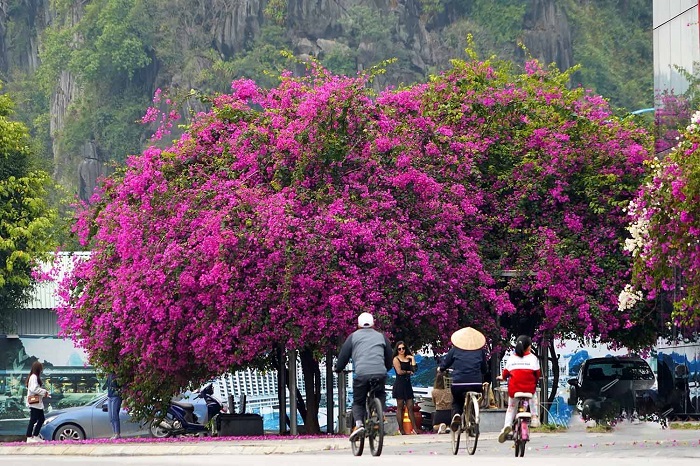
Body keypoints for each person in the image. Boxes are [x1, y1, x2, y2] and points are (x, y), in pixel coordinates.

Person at [334, 312, 393, 441]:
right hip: (380, 372)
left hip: (362, 374)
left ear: (358, 325)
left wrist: (338, 368)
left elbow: (343, 356)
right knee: (380, 393)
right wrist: (386, 368)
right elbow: (389, 357)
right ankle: (381, 414)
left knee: (358, 401)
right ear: (373, 324)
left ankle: (359, 424)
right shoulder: (382, 337)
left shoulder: (353, 337)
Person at [437, 327, 487, 432]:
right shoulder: (480, 352)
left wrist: (440, 369)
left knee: (457, 401)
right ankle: (473, 419)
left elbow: (445, 364)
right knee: (477, 397)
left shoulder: (454, 350)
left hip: (459, 383)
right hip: (476, 383)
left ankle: (456, 414)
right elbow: (484, 369)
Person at [496, 334, 541, 443]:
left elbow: (505, 373)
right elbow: (537, 375)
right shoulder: (533, 358)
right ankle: (534, 417)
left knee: (511, 408)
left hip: (514, 390)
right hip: (529, 390)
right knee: (533, 396)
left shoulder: (511, 358)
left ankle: (507, 426)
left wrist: (501, 377)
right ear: (528, 347)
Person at [391, 341, 419, 434]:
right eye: (399, 349)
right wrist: (408, 372)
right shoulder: (396, 359)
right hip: (399, 384)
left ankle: (415, 428)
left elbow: (414, 369)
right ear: (397, 350)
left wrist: (412, 358)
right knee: (400, 406)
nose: (401, 350)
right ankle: (401, 430)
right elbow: (399, 372)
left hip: (407, 385)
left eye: (403, 348)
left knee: (410, 406)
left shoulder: (408, 358)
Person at [26, 361, 50, 443]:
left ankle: (35, 436)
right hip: (35, 403)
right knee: (33, 420)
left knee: (41, 419)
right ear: (38, 369)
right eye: (40, 368)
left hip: (37, 403)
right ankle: (29, 437)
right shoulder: (34, 377)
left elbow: (34, 389)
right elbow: (34, 389)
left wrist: (43, 393)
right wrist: (44, 392)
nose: (41, 370)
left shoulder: (33, 376)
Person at [104, 372, 122, 439]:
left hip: (116, 396)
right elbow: (105, 386)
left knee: (114, 415)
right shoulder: (109, 375)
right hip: (110, 396)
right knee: (110, 416)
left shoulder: (117, 375)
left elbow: (119, 385)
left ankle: (117, 433)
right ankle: (115, 433)